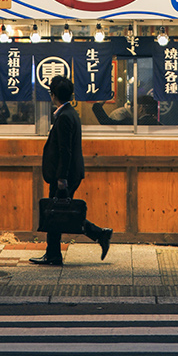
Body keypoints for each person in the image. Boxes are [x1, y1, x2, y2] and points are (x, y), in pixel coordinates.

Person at [30, 74, 112, 267]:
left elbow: (64, 151)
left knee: (56, 213)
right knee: (59, 212)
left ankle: (97, 235)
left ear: (53, 95)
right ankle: (55, 253)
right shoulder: (69, 113)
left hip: (64, 175)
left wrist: (61, 178)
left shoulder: (65, 116)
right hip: (67, 173)